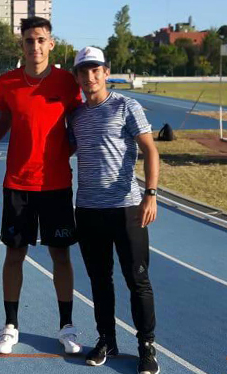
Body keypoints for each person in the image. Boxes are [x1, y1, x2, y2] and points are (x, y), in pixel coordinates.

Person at [0, 16, 83, 355]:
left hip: (56, 185)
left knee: (61, 255)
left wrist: (63, 152)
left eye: (41, 40)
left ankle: (67, 327)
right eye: (29, 41)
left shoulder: (66, 82)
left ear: (51, 43)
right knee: (14, 254)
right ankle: (11, 326)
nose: (35, 46)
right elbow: (2, 123)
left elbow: (79, 124)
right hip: (18, 183)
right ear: (23, 45)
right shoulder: (8, 82)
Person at [67, 47, 160, 374]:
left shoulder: (126, 106)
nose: (90, 77)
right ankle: (106, 338)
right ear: (77, 77)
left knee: (137, 280)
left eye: (96, 70)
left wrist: (150, 194)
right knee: (99, 280)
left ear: (106, 72)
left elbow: (150, 150)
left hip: (127, 208)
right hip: (89, 210)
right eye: (83, 71)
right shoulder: (76, 116)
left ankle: (146, 346)